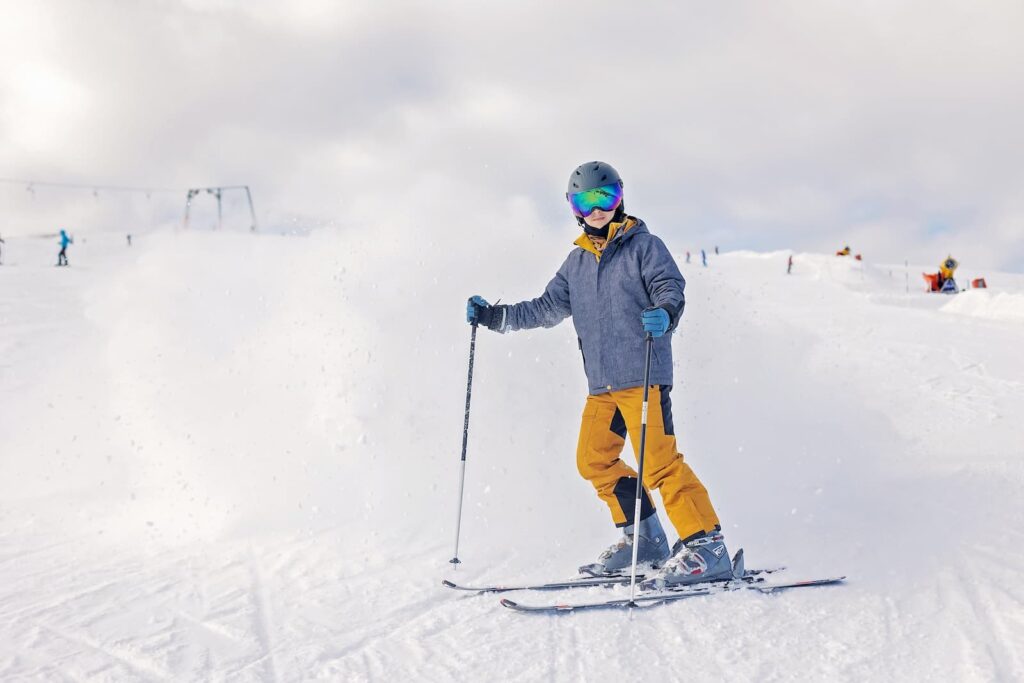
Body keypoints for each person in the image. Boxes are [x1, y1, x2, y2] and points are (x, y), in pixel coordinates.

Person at [466, 161, 730, 589]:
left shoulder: (645, 247)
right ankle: (644, 540)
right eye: (585, 202)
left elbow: (670, 287)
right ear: (573, 208)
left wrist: (665, 312)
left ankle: (707, 547)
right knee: (593, 460)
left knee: (658, 464)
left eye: (604, 198)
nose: (597, 210)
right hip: (602, 387)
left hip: (643, 376)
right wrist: (495, 317)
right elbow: (543, 308)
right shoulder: (576, 264)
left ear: (620, 198)